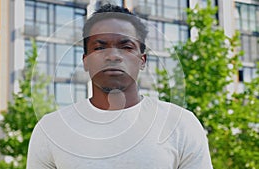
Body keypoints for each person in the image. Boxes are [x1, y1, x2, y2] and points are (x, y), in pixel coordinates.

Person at [27, 4, 213, 169]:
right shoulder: (51, 128)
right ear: (85, 61)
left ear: (142, 60)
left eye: (126, 47)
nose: (113, 56)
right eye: (100, 47)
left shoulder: (180, 124)